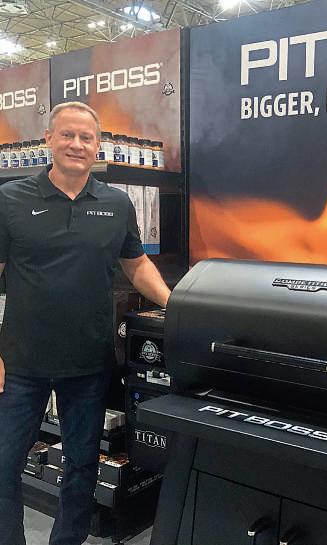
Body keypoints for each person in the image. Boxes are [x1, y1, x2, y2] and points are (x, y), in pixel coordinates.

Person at [0, 102, 171, 545]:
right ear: (49, 140)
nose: (76, 144)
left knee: (82, 465)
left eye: (86, 137)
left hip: (88, 362)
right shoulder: (10, 199)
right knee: (3, 463)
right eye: (67, 135)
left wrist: (176, 304)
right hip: (20, 364)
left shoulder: (116, 203)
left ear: (98, 146)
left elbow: (136, 264)